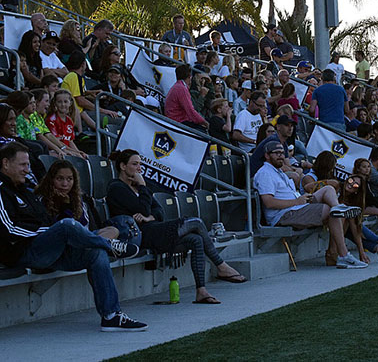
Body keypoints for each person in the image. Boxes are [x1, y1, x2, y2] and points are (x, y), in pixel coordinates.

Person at [0, 142, 147, 331]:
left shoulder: (24, 187)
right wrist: (54, 231)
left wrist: (56, 232)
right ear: (5, 163)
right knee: (68, 225)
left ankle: (111, 315)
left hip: (48, 249)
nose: (27, 170)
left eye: (28, 165)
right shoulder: (2, 189)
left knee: (96, 252)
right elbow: (9, 230)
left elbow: (43, 220)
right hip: (24, 252)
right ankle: (110, 244)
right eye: (23, 165)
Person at [106, 149, 246, 303]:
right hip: (139, 236)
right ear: (123, 166)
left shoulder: (138, 186)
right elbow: (143, 208)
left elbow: (159, 211)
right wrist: (143, 187)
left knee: (196, 240)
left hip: (153, 228)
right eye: (135, 164)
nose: (139, 168)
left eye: (140, 164)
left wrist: (149, 217)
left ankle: (202, 291)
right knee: (196, 222)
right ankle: (221, 266)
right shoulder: (116, 187)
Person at [254, 140, 366, 268]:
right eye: (276, 153)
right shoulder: (265, 173)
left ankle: (339, 209)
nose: (281, 156)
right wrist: (297, 201)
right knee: (331, 212)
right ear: (267, 155)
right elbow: (269, 202)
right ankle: (343, 255)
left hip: (297, 206)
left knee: (329, 189)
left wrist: (300, 200)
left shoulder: (278, 172)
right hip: (284, 214)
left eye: (282, 153)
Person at [37, 160, 123, 240]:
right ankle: (102, 245)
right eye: (59, 179)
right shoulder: (42, 198)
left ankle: (95, 244)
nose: (65, 184)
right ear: (51, 179)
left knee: (113, 230)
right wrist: (64, 204)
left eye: (69, 179)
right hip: (59, 241)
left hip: (82, 239)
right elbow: (56, 228)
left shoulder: (77, 197)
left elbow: (85, 224)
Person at [164, 64, 208, 130]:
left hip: (176, 119)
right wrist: (203, 122)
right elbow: (190, 110)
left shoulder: (178, 86)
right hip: (177, 121)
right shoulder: (181, 89)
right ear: (189, 77)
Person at [45, 89, 87, 157]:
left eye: (65, 101)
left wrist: (79, 153)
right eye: (59, 102)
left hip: (68, 151)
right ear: (55, 103)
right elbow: (56, 142)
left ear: (70, 103)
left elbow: (70, 141)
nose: (63, 104)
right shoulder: (51, 120)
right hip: (57, 151)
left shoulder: (69, 120)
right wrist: (75, 153)